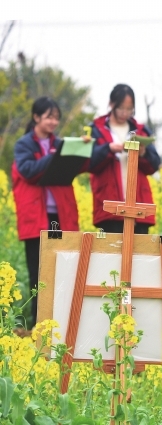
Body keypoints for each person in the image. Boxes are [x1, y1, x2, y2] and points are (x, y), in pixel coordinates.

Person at [12, 97, 85, 326]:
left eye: (56, 118)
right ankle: (37, 325)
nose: (53, 122)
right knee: (38, 274)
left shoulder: (60, 143)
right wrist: (54, 157)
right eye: (49, 117)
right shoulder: (24, 144)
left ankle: (62, 325)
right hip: (37, 218)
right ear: (36, 117)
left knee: (64, 271)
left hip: (60, 215)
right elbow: (27, 170)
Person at [89, 84, 160, 234]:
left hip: (139, 205)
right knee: (111, 255)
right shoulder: (96, 129)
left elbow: (154, 164)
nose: (125, 113)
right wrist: (108, 149)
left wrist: (142, 154)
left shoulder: (141, 130)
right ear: (111, 104)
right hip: (109, 207)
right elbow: (89, 163)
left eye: (129, 109)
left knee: (140, 255)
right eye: (121, 108)